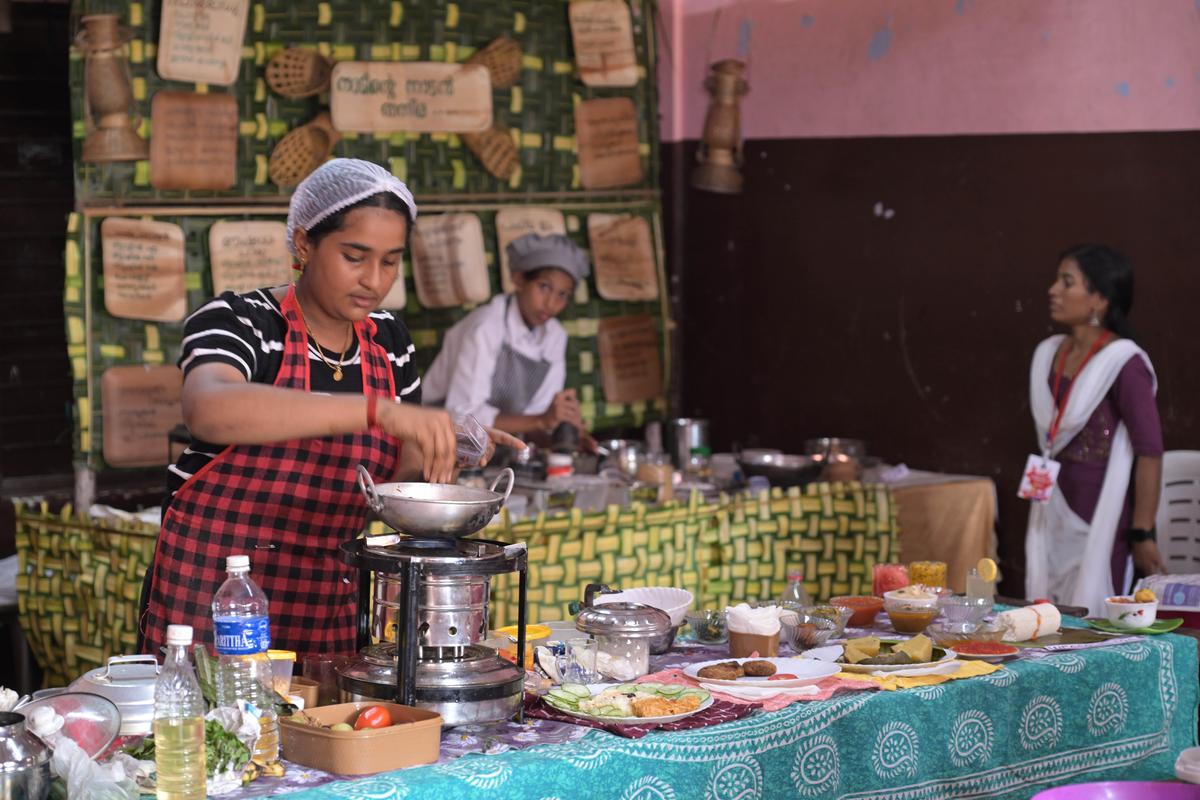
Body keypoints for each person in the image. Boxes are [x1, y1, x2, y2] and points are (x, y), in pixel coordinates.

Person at [139, 159, 519, 657]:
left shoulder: (389, 341)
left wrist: (452, 445)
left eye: (389, 261)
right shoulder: (244, 322)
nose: (374, 280)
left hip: (325, 599)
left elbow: (397, 475)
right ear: (303, 244)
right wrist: (375, 411)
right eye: (354, 256)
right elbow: (210, 408)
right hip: (216, 594)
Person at [1024, 244, 1164, 616]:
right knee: (1046, 615)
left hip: (1101, 517)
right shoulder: (1048, 353)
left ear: (1100, 298)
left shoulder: (1124, 362)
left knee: (1092, 619)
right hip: (1050, 507)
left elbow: (1149, 451)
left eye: (1067, 282)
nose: (1053, 290)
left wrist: (1142, 532)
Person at [421, 232, 592, 446]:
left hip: (500, 445)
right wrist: (541, 420)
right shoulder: (485, 326)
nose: (551, 303)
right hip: (439, 439)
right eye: (544, 287)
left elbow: (536, 417)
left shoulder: (555, 336)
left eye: (563, 294)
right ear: (519, 279)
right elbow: (463, 417)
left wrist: (567, 434)